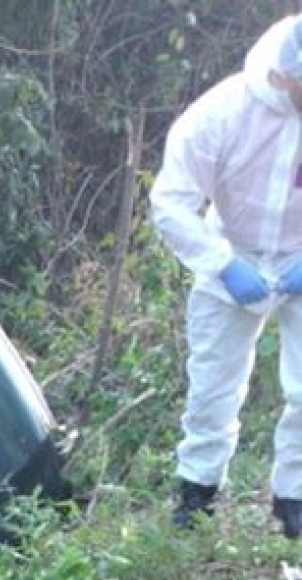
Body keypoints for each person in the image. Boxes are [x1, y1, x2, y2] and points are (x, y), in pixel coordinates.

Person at [150, 15, 302, 536]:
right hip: (230, 251)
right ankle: (197, 490)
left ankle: (294, 499)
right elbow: (171, 203)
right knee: (214, 383)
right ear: (285, 75)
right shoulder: (222, 113)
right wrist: (222, 263)